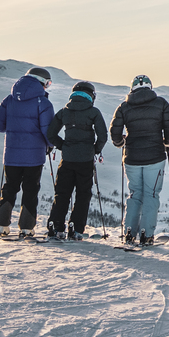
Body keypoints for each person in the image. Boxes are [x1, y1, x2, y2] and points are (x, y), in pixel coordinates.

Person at [109, 74, 169, 246]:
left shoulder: (124, 106)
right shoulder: (161, 103)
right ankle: (146, 234)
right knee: (151, 194)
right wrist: (167, 143)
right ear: (150, 87)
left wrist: (120, 143)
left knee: (135, 194)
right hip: (155, 156)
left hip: (131, 157)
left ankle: (129, 232)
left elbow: (115, 132)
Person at [0, 66, 56, 237]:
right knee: (30, 190)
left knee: (9, 188)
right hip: (34, 157)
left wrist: (13, 128)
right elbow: (48, 131)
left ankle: (1, 225)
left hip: (11, 155)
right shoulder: (43, 103)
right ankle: (26, 227)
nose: (47, 87)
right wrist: (51, 144)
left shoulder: (9, 100)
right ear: (41, 82)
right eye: (47, 84)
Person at [45, 80, 108, 239]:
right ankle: (76, 228)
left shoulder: (64, 111)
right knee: (83, 194)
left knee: (62, 193)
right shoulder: (93, 112)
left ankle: (55, 224)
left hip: (67, 160)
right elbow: (103, 136)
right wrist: (94, 150)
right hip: (85, 161)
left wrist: (63, 146)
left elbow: (51, 135)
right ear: (91, 95)